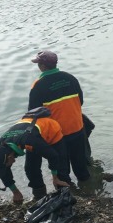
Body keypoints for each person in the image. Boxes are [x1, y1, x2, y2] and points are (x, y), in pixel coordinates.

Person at [28, 50, 90, 182]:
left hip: (58, 134)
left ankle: (68, 195)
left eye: (38, 63)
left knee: (62, 169)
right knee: (81, 166)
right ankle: (89, 190)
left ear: (43, 66)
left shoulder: (38, 85)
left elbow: (33, 113)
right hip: (78, 128)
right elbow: (81, 101)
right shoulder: (70, 78)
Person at [0, 110, 71, 203]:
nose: (5, 168)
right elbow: (4, 171)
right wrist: (15, 192)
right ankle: (40, 195)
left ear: (10, 157)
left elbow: (53, 156)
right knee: (31, 168)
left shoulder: (30, 141)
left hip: (51, 132)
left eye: (5, 165)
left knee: (60, 167)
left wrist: (55, 178)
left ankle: (65, 193)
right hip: (32, 134)